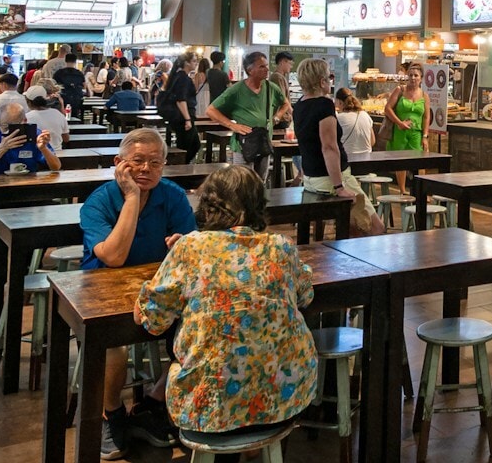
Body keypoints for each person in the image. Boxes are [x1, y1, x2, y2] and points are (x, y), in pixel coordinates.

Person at [134, 165, 317, 452]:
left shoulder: (191, 247)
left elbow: (153, 319)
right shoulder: (280, 246)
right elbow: (306, 295)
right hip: (287, 397)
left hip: (209, 407)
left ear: (208, 203)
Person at [81, 129, 198, 458]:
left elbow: (192, 248)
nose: (146, 169)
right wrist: (131, 197)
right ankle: (111, 413)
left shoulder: (172, 196)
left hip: (157, 289)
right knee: (112, 348)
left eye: (155, 163)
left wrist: (183, 246)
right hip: (102, 288)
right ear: (119, 164)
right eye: (137, 162)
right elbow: (114, 257)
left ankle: (154, 401)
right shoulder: (100, 201)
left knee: (199, 331)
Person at [293, 58, 380, 235]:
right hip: (331, 179)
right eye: (329, 77)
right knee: (374, 228)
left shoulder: (300, 105)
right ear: (321, 81)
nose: (331, 81)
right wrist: (339, 186)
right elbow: (329, 147)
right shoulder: (324, 105)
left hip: (311, 178)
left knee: (350, 229)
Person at [207, 51, 290, 183]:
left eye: (267, 65)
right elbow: (211, 110)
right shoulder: (237, 89)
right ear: (250, 70)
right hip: (243, 144)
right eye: (262, 66)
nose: (267, 69)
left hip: (264, 141)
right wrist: (232, 125)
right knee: (242, 182)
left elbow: (285, 103)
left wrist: (277, 116)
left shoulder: (271, 88)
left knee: (260, 182)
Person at [0, 100, 62, 175]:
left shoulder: (34, 134)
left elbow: (56, 167)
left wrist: (44, 149)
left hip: (29, 183)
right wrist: (2, 148)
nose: (9, 132)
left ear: (24, 121)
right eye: (5, 127)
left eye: (13, 128)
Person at [382, 71, 428, 191]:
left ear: (421, 78)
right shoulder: (400, 90)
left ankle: (421, 191)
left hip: (416, 132)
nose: (413, 78)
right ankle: (402, 190)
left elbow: (426, 117)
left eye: (416, 75)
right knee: (401, 162)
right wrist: (399, 123)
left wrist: (425, 136)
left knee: (420, 161)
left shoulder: (424, 95)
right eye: (410, 75)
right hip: (399, 131)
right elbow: (387, 108)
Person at [158, 59, 200, 162]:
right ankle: (179, 168)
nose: (196, 63)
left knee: (192, 144)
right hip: (182, 117)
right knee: (187, 146)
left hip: (177, 117)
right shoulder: (183, 78)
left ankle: (181, 166)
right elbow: (180, 100)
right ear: (186, 62)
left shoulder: (177, 76)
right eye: (194, 61)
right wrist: (187, 119)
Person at [333, 87, 375, 159]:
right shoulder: (365, 115)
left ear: (340, 102)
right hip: (366, 160)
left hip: (347, 160)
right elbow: (372, 141)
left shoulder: (339, 118)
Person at [24, 86, 70, 150]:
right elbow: (66, 138)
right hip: (56, 153)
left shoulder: (26, 117)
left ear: (28, 102)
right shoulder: (57, 114)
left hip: (36, 154)